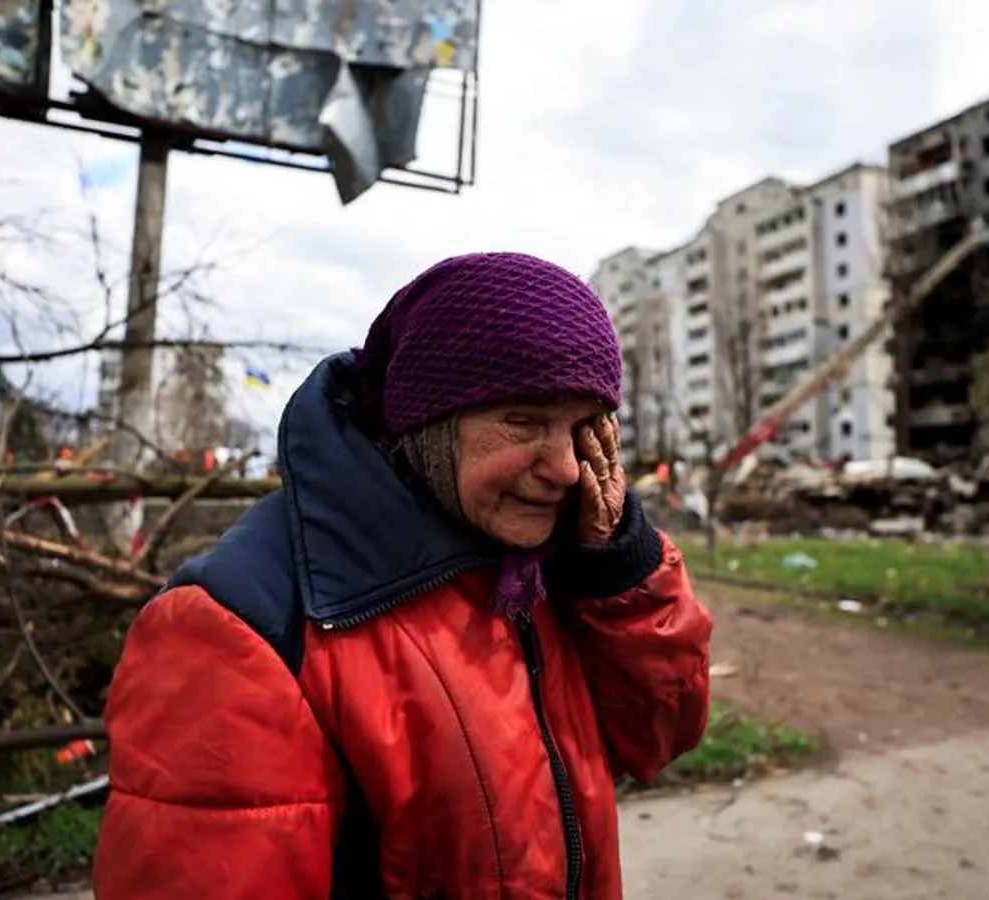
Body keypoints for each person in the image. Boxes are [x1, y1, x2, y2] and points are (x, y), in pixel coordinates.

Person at [92, 252, 713, 899]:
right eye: (523, 420)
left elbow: (660, 734)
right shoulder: (240, 631)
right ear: (426, 422)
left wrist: (616, 565)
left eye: (584, 426)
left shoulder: (541, 569)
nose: (563, 466)